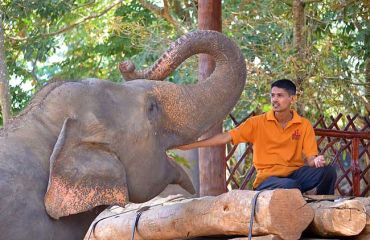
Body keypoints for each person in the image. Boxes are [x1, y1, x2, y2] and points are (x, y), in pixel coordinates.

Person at [177, 79, 337, 194]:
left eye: (280, 95)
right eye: (272, 95)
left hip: (294, 175)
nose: (275, 100)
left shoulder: (303, 125)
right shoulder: (257, 123)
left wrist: (315, 161)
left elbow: (310, 158)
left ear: (292, 99)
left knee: (328, 172)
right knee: (291, 185)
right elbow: (225, 137)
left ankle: (324, 206)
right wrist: (192, 144)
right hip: (268, 179)